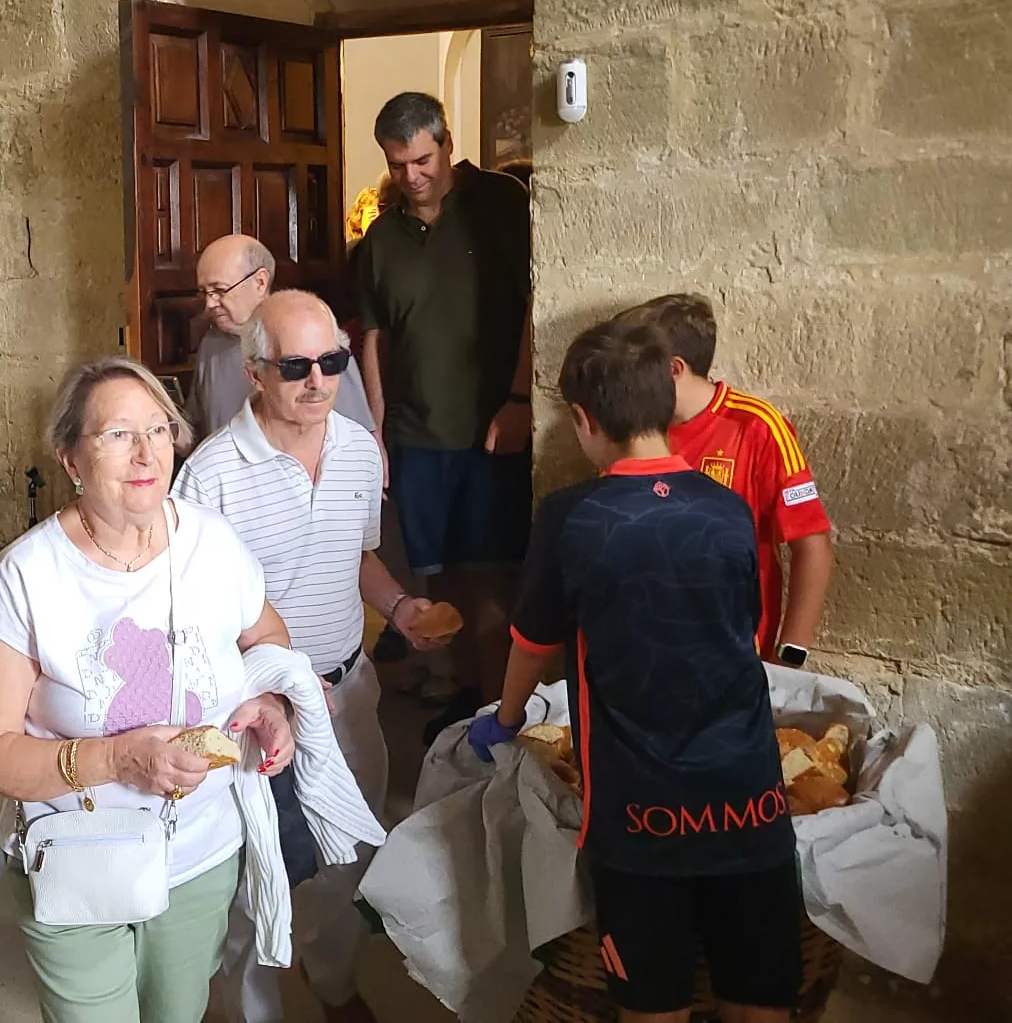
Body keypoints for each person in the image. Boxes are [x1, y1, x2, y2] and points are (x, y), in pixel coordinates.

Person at [468, 319, 800, 1023]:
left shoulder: (570, 517)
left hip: (641, 815)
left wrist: (505, 718)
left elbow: (533, 642)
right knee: (760, 1000)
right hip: (750, 799)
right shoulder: (727, 509)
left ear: (584, 421)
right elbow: (738, 627)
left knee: (654, 1004)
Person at [0, 356, 299, 1023]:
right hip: (76, 852)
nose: (146, 451)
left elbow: (267, 637)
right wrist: (119, 758)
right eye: (118, 434)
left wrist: (273, 702)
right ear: (71, 459)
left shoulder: (214, 544)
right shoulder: (27, 576)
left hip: (200, 852)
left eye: (159, 429)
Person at [176, 290, 445, 1023]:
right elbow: (190, 613)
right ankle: (248, 1010)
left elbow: (357, 557)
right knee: (251, 872)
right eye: (296, 366)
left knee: (345, 858)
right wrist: (270, 688)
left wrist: (401, 607)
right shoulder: (211, 475)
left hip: (349, 690)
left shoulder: (357, 448)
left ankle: (332, 983)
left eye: (332, 361)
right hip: (252, 708)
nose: (318, 380)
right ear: (254, 372)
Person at [354, 91, 534, 732]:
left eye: (423, 161)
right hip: (417, 433)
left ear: (447, 145)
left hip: (489, 430)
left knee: (493, 579)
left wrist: (520, 400)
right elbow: (374, 338)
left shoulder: (502, 205)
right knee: (442, 578)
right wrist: (376, 431)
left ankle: (504, 711)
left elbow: (535, 305)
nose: (412, 177)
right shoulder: (381, 238)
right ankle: (467, 699)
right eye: (397, 164)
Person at [613, 293, 835, 665]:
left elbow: (812, 544)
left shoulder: (758, 427)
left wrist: (791, 657)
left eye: (634, 370)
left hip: (733, 656)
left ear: (673, 369)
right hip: (650, 654)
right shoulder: (632, 428)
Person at [187, 234, 375, 443]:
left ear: (260, 282)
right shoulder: (211, 344)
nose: (209, 304)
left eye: (220, 291)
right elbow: (197, 428)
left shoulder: (318, 340)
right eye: (204, 292)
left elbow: (357, 437)